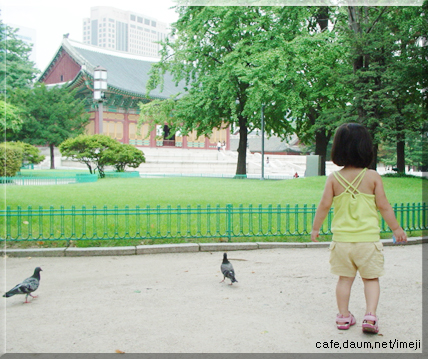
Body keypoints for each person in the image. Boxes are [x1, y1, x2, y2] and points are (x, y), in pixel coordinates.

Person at [310, 123, 407, 334]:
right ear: (365, 148)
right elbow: (384, 206)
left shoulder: (334, 179)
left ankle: (343, 317)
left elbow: (324, 205)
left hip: (342, 242)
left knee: (344, 280)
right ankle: (370, 316)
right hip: (368, 241)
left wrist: (316, 228)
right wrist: (396, 228)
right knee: (370, 279)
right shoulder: (372, 177)